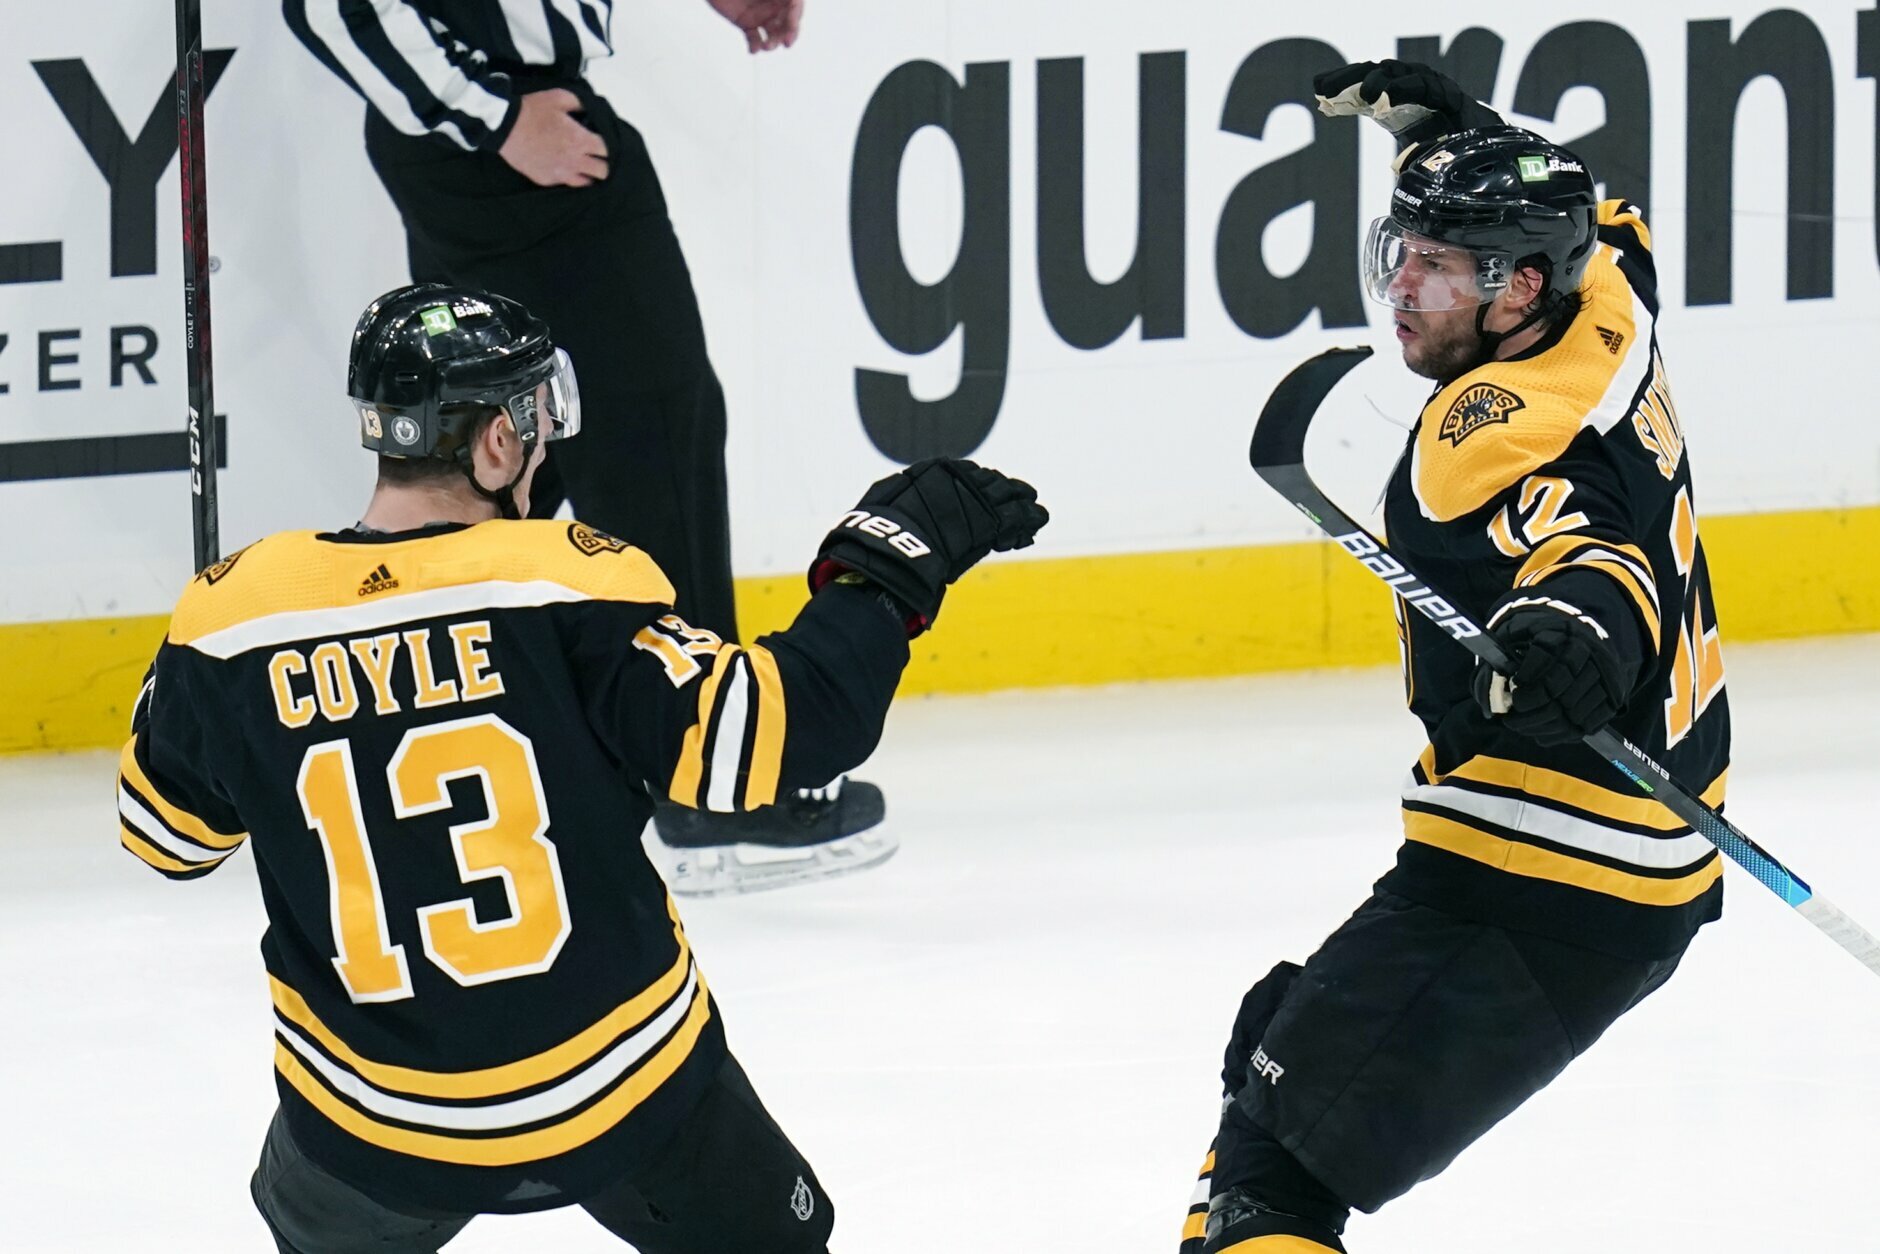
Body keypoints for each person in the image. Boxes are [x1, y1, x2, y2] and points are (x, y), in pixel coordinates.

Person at [115, 284, 1046, 1253]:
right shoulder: (568, 581)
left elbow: (166, 840)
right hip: (620, 1090)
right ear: (496, 443)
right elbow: (775, 736)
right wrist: (881, 568)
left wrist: (189, 678)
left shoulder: (233, 620)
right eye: (535, 419)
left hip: (375, 1121)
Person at [1179, 62, 1730, 1253]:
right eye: (1402, 252)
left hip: (1539, 870)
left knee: (1268, 1175)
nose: (1400, 286)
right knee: (1271, 1081)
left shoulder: (1485, 441)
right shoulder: (1611, 299)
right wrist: (1455, 132)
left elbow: (1587, 553)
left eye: (1434, 266)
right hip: (1623, 845)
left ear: (1518, 286)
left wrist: (1571, 632)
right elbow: (1599, 217)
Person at [281, 0, 882, 896]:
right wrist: (493, 117)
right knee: (647, 430)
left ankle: (422, 743)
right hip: (504, 139)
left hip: (497, 139)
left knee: (514, 454)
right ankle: (707, 780)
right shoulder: (495, 117)